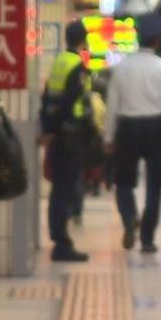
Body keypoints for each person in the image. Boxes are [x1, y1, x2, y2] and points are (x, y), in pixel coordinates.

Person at [104, 13, 161, 253]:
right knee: (154, 187)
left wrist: (108, 137)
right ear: (157, 40)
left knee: (124, 182)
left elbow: (112, 106)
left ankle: (129, 218)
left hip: (127, 128)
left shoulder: (122, 68)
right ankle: (147, 239)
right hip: (156, 128)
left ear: (137, 37)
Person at [38, 20, 93, 262]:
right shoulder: (77, 66)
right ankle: (61, 244)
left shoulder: (59, 63)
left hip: (58, 135)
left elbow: (47, 97)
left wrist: (48, 129)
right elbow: (71, 102)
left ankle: (58, 238)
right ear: (83, 40)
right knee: (65, 189)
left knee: (58, 189)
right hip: (70, 135)